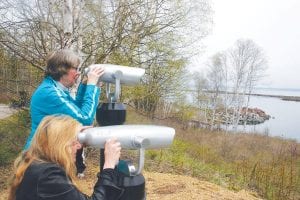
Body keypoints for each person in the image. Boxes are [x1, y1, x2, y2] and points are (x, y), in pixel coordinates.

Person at [23, 49, 104, 176]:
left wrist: (85, 85)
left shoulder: (56, 89)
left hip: (45, 155)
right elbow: (84, 118)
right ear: (62, 69)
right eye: (76, 68)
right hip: (39, 158)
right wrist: (92, 86)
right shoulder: (50, 93)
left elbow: (76, 109)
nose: (78, 73)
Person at [8, 115, 123, 200]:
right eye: (74, 141)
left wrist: (78, 137)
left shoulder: (35, 162)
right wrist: (108, 167)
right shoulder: (48, 175)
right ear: (59, 144)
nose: (78, 146)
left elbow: (73, 166)